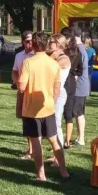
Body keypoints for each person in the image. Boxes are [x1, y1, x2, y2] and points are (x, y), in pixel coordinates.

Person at [18, 32, 70, 181]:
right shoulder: (54, 63)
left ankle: (41, 174)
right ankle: (64, 171)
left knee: (36, 142)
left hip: (31, 109)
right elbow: (57, 88)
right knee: (54, 140)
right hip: (48, 107)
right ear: (46, 44)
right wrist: (52, 102)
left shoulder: (28, 62)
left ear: (33, 45)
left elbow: (21, 87)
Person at [66, 27, 90, 147]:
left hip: (80, 85)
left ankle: (81, 139)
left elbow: (81, 67)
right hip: (82, 84)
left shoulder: (79, 49)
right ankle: (79, 137)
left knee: (77, 111)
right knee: (78, 111)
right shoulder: (82, 48)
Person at [12, 31, 34, 155]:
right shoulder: (19, 56)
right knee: (25, 120)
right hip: (22, 91)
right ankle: (30, 149)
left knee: (34, 120)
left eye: (31, 40)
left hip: (33, 91)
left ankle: (35, 149)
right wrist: (16, 81)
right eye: (27, 41)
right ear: (22, 41)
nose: (29, 43)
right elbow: (15, 70)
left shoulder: (36, 55)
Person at [48, 34, 72, 148]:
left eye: (51, 42)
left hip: (58, 93)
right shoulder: (54, 57)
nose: (49, 44)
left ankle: (59, 149)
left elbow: (48, 69)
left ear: (59, 44)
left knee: (56, 122)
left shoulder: (63, 59)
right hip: (50, 92)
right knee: (51, 122)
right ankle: (56, 151)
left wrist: (51, 57)